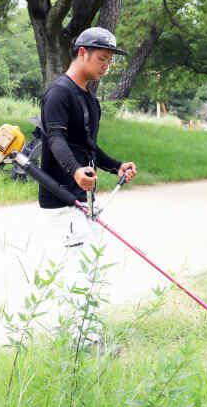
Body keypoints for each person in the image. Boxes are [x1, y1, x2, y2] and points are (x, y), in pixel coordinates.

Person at [40, 27, 138, 248]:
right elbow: (55, 138)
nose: (106, 66)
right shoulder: (58, 92)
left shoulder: (90, 100)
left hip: (84, 200)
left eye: (109, 61)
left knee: (92, 268)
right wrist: (75, 170)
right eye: (102, 58)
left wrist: (117, 166)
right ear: (83, 52)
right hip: (61, 200)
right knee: (77, 274)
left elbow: (88, 146)